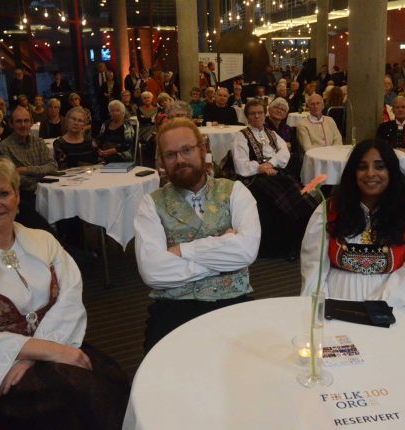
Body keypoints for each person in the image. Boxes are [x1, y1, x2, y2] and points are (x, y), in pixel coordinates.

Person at [0, 155, 129, 429]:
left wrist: (42, 353)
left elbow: (70, 300)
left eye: (3, 193)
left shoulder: (43, 241)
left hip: (61, 341)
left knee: (114, 380)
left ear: (16, 196)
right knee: (81, 394)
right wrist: (42, 352)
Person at [133, 118, 260, 352]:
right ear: (161, 161)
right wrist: (224, 255)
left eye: (186, 150)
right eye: (170, 155)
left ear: (202, 150)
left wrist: (182, 251)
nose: (180, 160)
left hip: (233, 301)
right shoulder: (150, 205)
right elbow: (153, 272)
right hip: (174, 307)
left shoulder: (236, 192)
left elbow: (246, 251)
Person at [301, 139, 405, 322]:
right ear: (353, 173)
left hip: (398, 303)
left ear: (391, 171)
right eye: (362, 167)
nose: (370, 174)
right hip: (338, 299)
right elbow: (314, 268)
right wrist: (320, 307)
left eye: (380, 167)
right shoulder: (329, 210)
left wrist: (377, 308)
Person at [233, 99, 316, 259]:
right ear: (247, 117)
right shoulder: (241, 136)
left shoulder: (271, 133)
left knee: (297, 191)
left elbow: (284, 152)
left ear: (265, 115)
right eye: (252, 113)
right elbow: (240, 164)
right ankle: (289, 244)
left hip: (276, 171)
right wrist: (260, 167)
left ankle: (302, 237)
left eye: (260, 113)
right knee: (280, 198)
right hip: (254, 177)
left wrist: (270, 163)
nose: (257, 116)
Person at [0, 106, 58, 231]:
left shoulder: (39, 142)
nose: (23, 125)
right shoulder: (4, 147)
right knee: (44, 228)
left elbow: (53, 166)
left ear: (31, 123)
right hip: (26, 196)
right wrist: (40, 174)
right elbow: (13, 178)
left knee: (70, 211)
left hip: (49, 191)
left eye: (26, 121)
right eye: (19, 121)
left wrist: (26, 170)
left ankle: (72, 245)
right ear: (11, 124)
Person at [264, 97, 301, 179]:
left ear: (286, 115)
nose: (279, 110)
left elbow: (295, 150)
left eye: (283, 109)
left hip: (288, 163)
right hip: (269, 164)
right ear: (269, 109)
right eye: (276, 107)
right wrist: (284, 147)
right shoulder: (262, 127)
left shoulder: (289, 129)